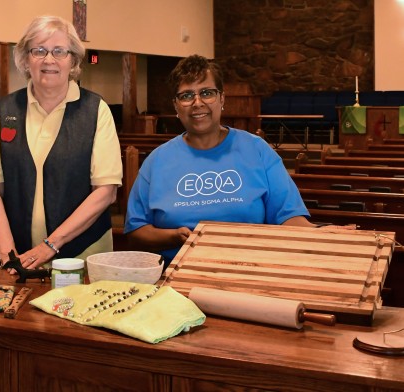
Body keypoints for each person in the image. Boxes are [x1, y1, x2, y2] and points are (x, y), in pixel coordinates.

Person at [124, 54, 342, 269]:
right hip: (178, 276)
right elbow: (135, 232)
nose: (197, 103)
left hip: (252, 270)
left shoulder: (257, 150)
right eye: (186, 95)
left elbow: (289, 218)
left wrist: (323, 234)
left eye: (207, 93)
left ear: (222, 99)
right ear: (176, 106)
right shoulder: (157, 161)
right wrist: (172, 236)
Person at [0, 15, 122, 270]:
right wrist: (9, 255)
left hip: (83, 255)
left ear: (73, 60)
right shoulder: (4, 111)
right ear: (25, 58)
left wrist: (50, 245)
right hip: (20, 256)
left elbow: (105, 192)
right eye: (39, 50)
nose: (49, 59)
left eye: (59, 51)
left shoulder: (95, 110)